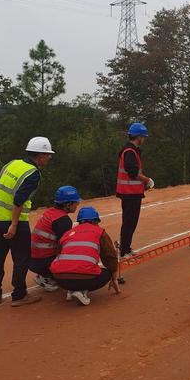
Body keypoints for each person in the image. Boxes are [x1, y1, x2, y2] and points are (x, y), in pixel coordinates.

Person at [0, 136, 54, 307]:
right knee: (22, 258)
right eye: (48, 154)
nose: (49, 158)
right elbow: (19, 200)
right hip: (12, 221)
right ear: (40, 156)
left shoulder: (12, 164)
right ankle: (19, 295)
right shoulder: (33, 174)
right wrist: (14, 224)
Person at [50, 207, 120, 306]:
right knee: (106, 274)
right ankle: (81, 291)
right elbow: (110, 257)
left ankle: (70, 290)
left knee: (71, 268)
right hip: (83, 278)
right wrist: (114, 278)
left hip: (60, 279)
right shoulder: (99, 232)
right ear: (95, 221)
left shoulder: (67, 233)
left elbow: (58, 253)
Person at [29, 186, 81, 292]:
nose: (77, 205)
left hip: (32, 260)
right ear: (67, 204)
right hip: (43, 262)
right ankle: (49, 276)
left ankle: (44, 275)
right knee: (75, 255)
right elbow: (64, 247)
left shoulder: (50, 212)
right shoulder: (63, 221)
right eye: (76, 203)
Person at [116, 122, 154, 258]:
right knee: (129, 222)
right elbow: (132, 173)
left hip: (132, 192)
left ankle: (126, 247)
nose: (144, 139)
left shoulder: (131, 151)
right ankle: (124, 251)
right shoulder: (130, 152)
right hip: (129, 193)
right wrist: (147, 180)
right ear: (138, 137)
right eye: (143, 136)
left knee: (131, 222)